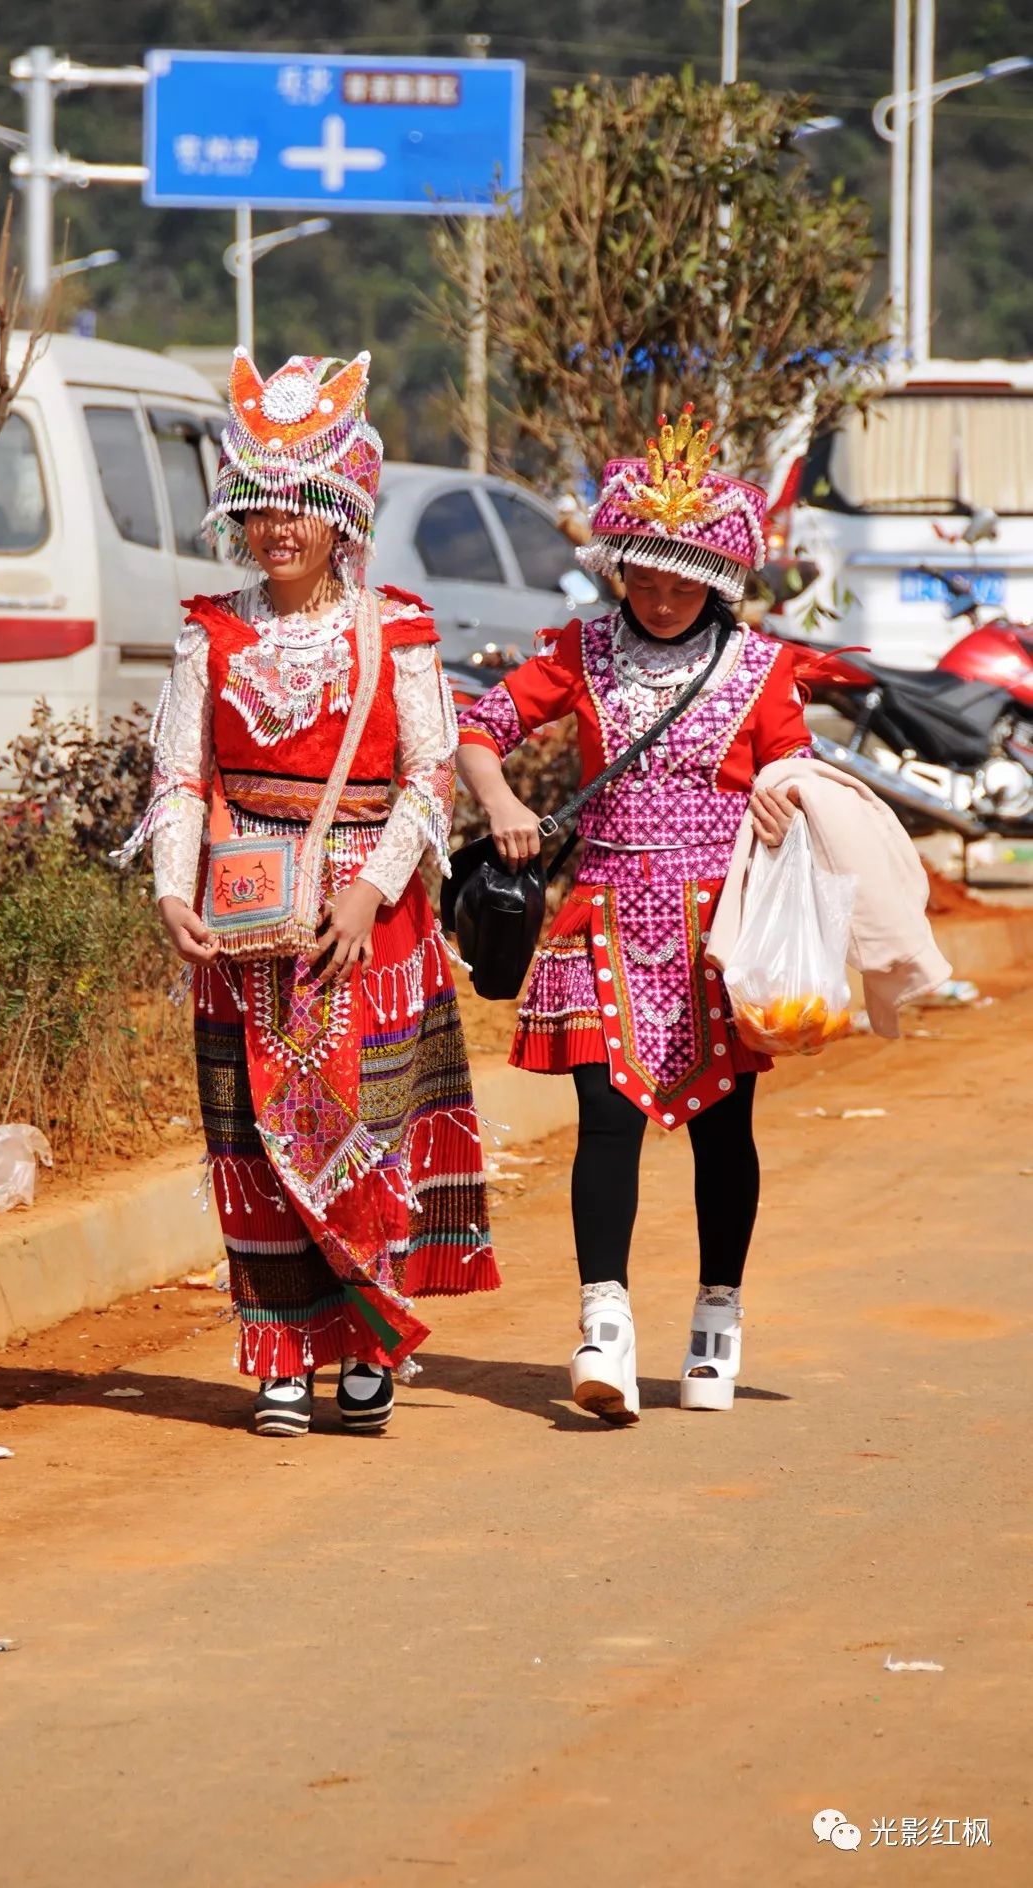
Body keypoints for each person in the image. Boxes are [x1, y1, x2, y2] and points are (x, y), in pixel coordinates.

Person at [118, 349, 497, 1438]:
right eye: (258, 508)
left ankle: (370, 1339)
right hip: (242, 921)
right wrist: (170, 890)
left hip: (366, 929)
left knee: (367, 1127)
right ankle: (281, 1350)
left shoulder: (401, 631)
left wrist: (373, 892)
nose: (277, 529)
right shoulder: (211, 632)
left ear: (342, 513)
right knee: (251, 1140)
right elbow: (182, 776)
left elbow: (429, 776)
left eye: (300, 508)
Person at [456, 406, 808, 1423]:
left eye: (679, 580)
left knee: (723, 1129)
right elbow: (484, 726)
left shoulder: (762, 669)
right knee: (603, 1123)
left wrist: (784, 787)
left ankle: (717, 1321)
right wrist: (505, 801)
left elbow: (795, 760)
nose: (658, 597)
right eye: (641, 578)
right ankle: (601, 1326)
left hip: (716, 932)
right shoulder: (583, 649)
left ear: (718, 579)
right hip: (603, 912)